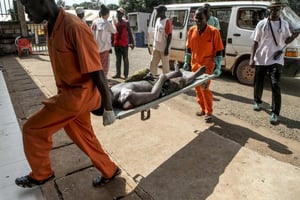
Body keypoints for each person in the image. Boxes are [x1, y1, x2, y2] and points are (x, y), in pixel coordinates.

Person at [16, 0, 120, 188]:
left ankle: (42, 174)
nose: (27, 15)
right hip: (69, 95)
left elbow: (97, 71)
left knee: (32, 129)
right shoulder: (51, 27)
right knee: (82, 135)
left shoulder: (74, 27)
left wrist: (108, 107)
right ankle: (109, 170)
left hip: (79, 97)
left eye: (29, 8)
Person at [249, 0, 299, 124]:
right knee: (258, 82)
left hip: (276, 59)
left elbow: (286, 40)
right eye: (273, 9)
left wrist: (293, 37)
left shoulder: (285, 24)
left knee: (275, 85)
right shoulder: (262, 24)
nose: (275, 11)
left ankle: (275, 113)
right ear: (269, 10)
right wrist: (252, 58)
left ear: (280, 10)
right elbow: (255, 42)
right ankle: (257, 101)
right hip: (261, 58)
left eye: (278, 9)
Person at [183, 7, 224, 122]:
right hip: (195, 64)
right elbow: (189, 48)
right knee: (197, 88)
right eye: (196, 18)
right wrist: (186, 61)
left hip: (207, 66)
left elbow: (219, 50)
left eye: (201, 18)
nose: (198, 21)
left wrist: (218, 66)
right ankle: (202, 108)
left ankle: (208, 112)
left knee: (204, 88)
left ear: (207, 18)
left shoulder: (213, 32)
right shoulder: (192, 30)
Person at [109, 67, 206, 110]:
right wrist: (162, 79)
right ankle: (195, 75)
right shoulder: (126, 98)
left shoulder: (111, 89)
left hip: (150, 80)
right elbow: (153, 95)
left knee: (159, 76)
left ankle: (175, 73)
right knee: (182, 81)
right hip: (162, 88)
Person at [91, 4, 116, 77]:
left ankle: (97, 80)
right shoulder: (107, 23)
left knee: (96, 66)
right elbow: (114, 31)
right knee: (104, 67)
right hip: (104, 49)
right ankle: (103, 80)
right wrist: (113, 22)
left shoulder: (94, 22)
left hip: (95, 49)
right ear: (107, 14)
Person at [112, 7, 135, 79]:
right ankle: (118, 74)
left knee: (125, 59)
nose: (118, 14)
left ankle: (126, 75)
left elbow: (130, 33)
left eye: (119, 13)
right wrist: (112, 41)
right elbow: (113, 33)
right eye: (117, 13)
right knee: (118, 60)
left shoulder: (126, 23)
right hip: (116, 44)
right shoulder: (115, 22)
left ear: (122, 14)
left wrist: (132, 42)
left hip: (124, 44)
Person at [149, 5, 172, 75]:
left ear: (163, 12)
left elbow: (170, 35)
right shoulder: (157, 20)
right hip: (156, 48)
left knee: (165, 67)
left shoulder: (167, 21)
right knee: (153, 64)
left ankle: (166, 81)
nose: (157, 13)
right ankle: (153, 78)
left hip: (163, 48)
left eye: (158, 12)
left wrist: (167, 48)